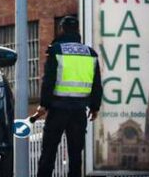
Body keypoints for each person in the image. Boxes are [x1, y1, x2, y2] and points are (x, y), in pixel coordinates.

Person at [32, 16, 103, 177]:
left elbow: (48, 80)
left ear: (62, 30)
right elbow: (96, 83)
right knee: (75, 155)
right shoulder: (91, 53)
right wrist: (95, 107)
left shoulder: (56, 50)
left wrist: (43, 104)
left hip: (58, 109)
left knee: (48, 152)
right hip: (79, 111)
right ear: (78, 31)